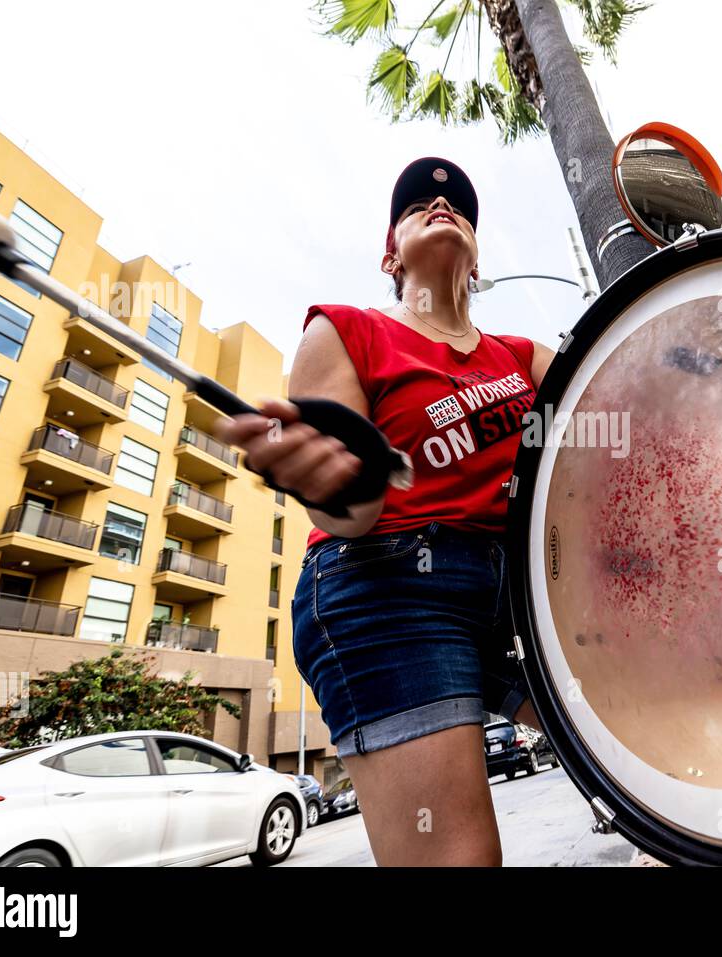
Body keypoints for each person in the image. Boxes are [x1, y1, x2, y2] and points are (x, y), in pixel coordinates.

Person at [218, 157, 556, 866]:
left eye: (458, 203)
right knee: (459, 858)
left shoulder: (526, 359)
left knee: (634, 744)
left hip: (515, 597)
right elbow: (350, 512)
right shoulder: (344, 331)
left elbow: (615, 425)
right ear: (389, 254)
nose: (442, 203)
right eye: (418, 205)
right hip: (386, 585)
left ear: (476, 258)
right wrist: (337, 481)